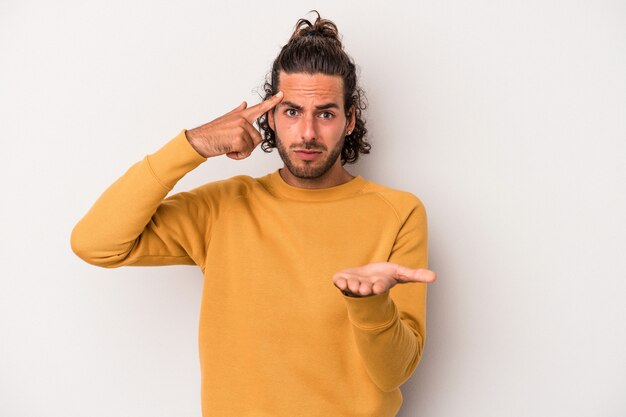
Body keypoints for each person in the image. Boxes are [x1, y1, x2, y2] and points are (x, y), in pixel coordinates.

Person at [70, 11, 437, 417]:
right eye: (293, 111)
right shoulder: (224, 207)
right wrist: (191, 145)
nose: (308, 133)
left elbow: (394, 373)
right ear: (271, 118)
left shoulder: (399, 213)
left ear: (350, 120)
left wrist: (371, 303)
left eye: (326, 113)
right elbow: (95, 244)